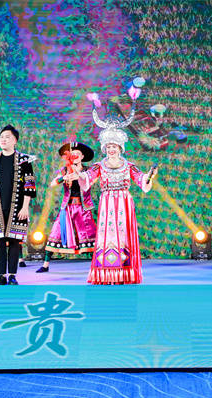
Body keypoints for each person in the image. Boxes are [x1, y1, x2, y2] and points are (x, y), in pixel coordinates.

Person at [78, 87, 157, 284]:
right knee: (107, 235)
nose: (111, 149)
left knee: (124, 236)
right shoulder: (99, 165)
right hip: (107, 204)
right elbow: (86, 179)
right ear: (104, 148)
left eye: (114, 146)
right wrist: (77, 172)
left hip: (124, 203)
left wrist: (149, 176)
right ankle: (106, 273)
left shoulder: (129, 166)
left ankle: (124, 273)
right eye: (109, 147)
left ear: (120, 148)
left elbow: (142, 181)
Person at [0, 125, 37, 285]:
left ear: (15, 140)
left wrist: (25, 207)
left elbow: (29, 185)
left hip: (18, 208)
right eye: (1, 137)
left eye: (7, 137)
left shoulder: (24, 160)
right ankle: (0, 275)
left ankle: (12, 275)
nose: (3, 140)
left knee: (14, 241)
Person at [36, 142, 97, 273]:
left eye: (77, 154)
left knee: (89, 233)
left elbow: (91, 181)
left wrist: (79, 176)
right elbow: (53, 183)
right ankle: (45, 265)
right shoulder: (64, 170)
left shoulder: (88, 171)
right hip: (67, 207)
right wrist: (64, 178)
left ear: (82, 157)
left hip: (83, 208)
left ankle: (96, 266)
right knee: (56, 232)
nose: (74, 156)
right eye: (72, 154)